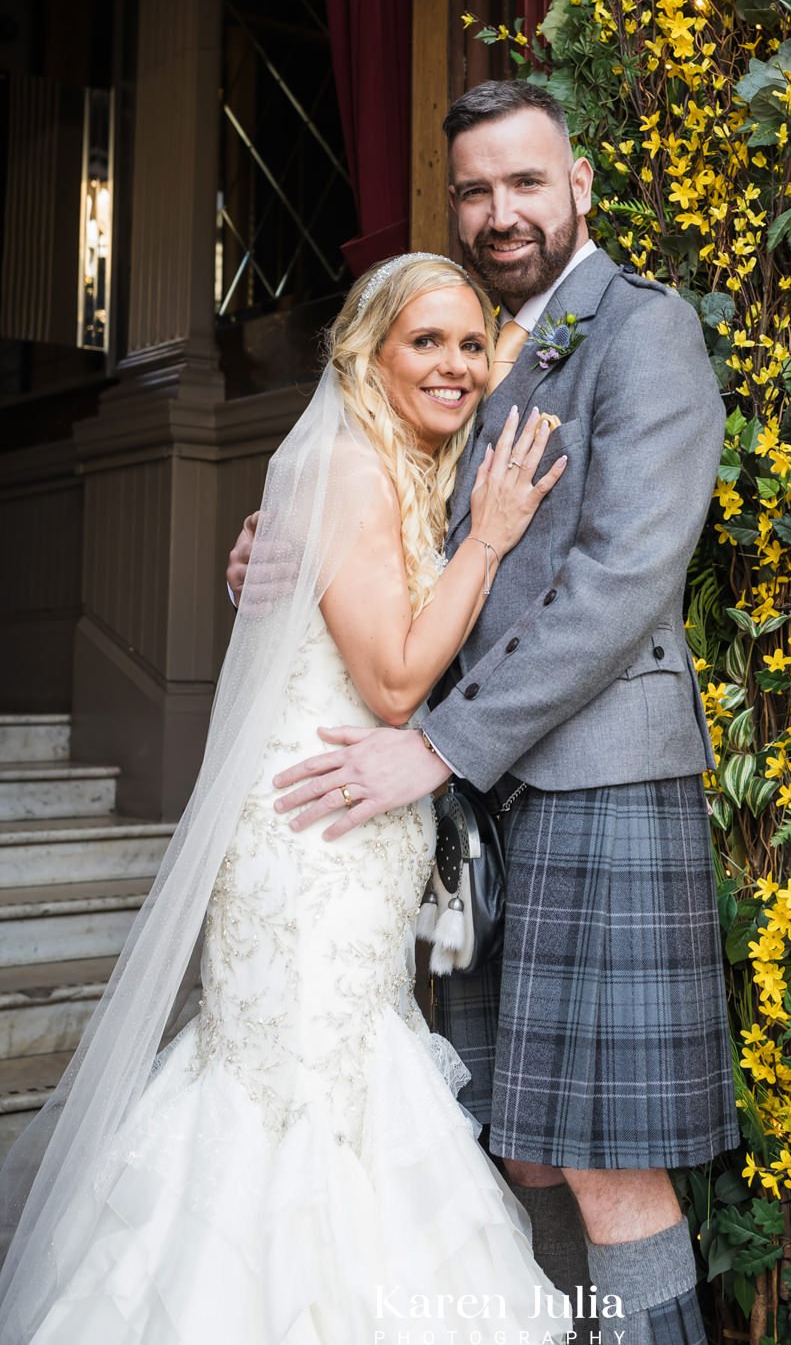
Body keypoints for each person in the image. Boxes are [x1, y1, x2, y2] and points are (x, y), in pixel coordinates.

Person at [228, 82, 740, 1345]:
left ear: (579, 188)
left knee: (610, 1159)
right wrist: (272, 544)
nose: (499, 211)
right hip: (478, 810)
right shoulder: (478, 348)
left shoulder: (641, 329)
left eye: (525, 182)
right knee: (519, 1147)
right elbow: (385, 523)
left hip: (597, 783)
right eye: (474, 189)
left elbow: (623, 581)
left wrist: (440, 743)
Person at [0, 254, 573, 1345]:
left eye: (468, 344)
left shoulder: (404, 465)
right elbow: (397, 680)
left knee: (335, 1079)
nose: (452, 366)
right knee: (299, 1092)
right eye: (424, 342)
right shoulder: (354, 470)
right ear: (366, 355)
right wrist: (491, 541)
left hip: (361, 831)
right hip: (314, 841)